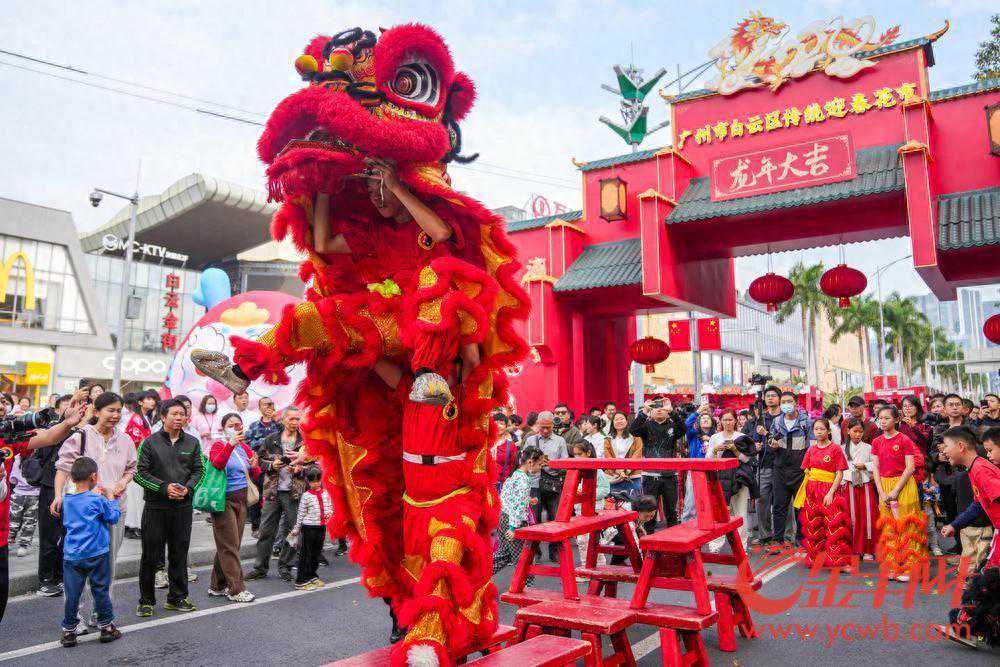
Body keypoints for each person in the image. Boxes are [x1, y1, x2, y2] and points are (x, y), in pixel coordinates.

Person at [53, 392, 136, 630]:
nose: (115, 415)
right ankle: (74, 618)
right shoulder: (80, 437)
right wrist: (59, 495)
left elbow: (131, 468)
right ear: (96, 411)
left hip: (113, 509)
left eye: (119, 410)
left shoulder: (126, 440)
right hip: (83, 514)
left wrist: (121, 484)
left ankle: (102, 614)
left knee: (108, 565)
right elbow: (63, 468)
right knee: (77, 568)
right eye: (110, 410)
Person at [0, 392, 86, 624]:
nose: (1, 406)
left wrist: (68, 422)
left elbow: (47, 437)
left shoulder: (6, 437)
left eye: (2, 402)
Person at [134, 399, 204, 617]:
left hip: (182, 507)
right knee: (150, 556)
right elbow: (139, 473)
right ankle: (146, 600)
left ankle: (177, 597)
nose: (179, 418)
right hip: (156, 507)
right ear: (163, 417)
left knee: (179, 554)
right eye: (174, 414)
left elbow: (200, 470)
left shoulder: (192, 443)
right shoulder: (149, 443)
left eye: (182, 414)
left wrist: (188, 488)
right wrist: (164, 488)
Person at [938, 426, 1000, 649]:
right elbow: (979, 504)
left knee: (984, 582)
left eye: (946, 446)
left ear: (961, 446)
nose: (943, 452)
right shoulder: (977, 469)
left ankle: (965, 629)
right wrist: (955, 524)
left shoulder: (981, 469)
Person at [58, 456, 122, 648]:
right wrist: (110, 497)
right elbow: (113, 518)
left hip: (72, 555)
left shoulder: (67, 500)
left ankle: (69, 631)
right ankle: (106, 627)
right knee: (100, 590)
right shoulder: (98, 500)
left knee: (73, 594)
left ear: (72, 477)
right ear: (94, 476)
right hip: (96, 553)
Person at [246, 406, 308, 581]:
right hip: (273, 492)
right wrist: (271, 466)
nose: (295, 422)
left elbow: (314, 466)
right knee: (266, 531)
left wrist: (300, 469)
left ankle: (286, 566)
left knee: (293, 531)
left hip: (294, 493)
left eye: (298, 419)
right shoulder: (271, 439)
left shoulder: (305, 442)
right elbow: (259, 461)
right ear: (283, 419)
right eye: (292, 419)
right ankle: (260, 568)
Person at [207, 413, 260, 602]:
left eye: (238, 425)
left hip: (242, 498)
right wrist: (230, 444)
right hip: (223, 499)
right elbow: (218, 464)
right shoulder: (218, 445)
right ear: (223, 428)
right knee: (229, 544)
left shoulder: (245, 446)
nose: (236, 428)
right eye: (231, 425)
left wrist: (254, 465)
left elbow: (255, 473)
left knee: (230, 543)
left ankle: (216, 585)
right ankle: (236, 589)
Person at [871, 405, 927, 582]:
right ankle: (894, 566)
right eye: (880, 418)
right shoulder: (876, 441)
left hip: (903, 485)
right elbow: (875, 468)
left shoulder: (904, 439)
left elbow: (910, 468)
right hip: (884, 486)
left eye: (887, 418)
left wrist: (895, 491)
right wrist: (881, 491)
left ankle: (911, 568)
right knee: (889, 527)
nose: (883, 421)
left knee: (908, 526)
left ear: (896, 420)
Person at [30, 394, 75, 596]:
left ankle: (61, 576)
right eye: (69, 405)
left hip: (74, 490)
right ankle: (46, 580)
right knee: (50, 536)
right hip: (50, 486)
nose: (73, 409)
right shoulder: (50, 432)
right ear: (58, 410)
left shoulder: (83, 433)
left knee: (67, 536)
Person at [793, 418, 851, 568]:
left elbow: (839, 474)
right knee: (813, 526)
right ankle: (816, 558)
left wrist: (831, 493)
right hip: (812, 491)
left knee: (834, 525)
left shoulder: (835, 449)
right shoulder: (811, 449)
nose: (818, 432)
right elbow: (807, 471)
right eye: (816, 429)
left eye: (822, 429)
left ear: (829, 431)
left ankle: (838, 560)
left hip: (829, 490)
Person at [706, 409, 757, 550]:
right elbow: (708, 460)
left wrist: (735, 449)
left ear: (735, 420)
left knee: (741, 513)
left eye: (730, 419)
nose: (727, 422)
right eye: (725, 419)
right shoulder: (715, 437)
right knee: (720, 513)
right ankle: (715, 545)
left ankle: (742, 546)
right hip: (720, 479)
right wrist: (716, 449)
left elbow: (746, 459)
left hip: (740, 478)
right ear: (720, 421)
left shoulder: (742, 436)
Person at [630, 398, 684, 528]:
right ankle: (648, 545)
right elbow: (633, 429)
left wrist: (672, 412)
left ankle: (675, 544)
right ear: (651, 411)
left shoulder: (673, 425)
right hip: (649, 475)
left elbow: (683, 429)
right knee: (648, 512)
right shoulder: (646, 425)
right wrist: (644, 411)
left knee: (671, 512)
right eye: (655, 407)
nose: (659, 409)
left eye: (662, 407)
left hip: (670, 475)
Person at [521, 411, 568, 561]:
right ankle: (535, 551)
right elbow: (523, 461)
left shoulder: (560, 441)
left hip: (553, 483)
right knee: (534, 520)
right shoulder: (530, 440)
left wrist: (552, 464)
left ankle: (554, 552)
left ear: (553, 425)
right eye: (542, 428)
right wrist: (535, 463)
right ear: (537, 426)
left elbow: (566, 464)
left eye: (548, 427)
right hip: (534, 483)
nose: (546, 431)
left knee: (555, 519)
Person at [768, 391, 812, 551]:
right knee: (779, 506)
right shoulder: (776, 421)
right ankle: (777, 540)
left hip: (800, 470)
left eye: (789, 401)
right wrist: (772, 445)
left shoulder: (806, 422)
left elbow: (810, 448)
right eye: (784, 401)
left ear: (796, 403)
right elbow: (771, 440)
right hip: (779, 469)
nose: (786, 404)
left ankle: (801, 539)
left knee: (800, 507)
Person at [493, 447, 543, 575]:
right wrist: (513, 527)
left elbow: (509, 498)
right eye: (540, 464)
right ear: (530, 462)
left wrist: (528, 500)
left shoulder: (515, 474)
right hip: (514, 522)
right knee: (523, 559)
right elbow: (518, 505)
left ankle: (481, 575)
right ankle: (526, 587)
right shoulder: (524, 480)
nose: (540, 467)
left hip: (503, 516)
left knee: (502, 554)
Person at [289, 467, 333, 590]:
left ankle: (312, 575)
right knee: (306, 554)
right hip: (309, 527)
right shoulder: (306, 496)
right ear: (308, 482)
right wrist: (297, 528)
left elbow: (329, 506)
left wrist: (329, 513)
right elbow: (301, 513)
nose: (316, 483)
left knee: (316, 553)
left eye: (318, 480)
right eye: (313, 481)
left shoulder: (325, 493)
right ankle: (301, 580)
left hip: (321, 526)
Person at [841, 418, 879, 559]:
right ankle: (853, 548)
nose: (858, 434)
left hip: (865, 485)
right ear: (848, 431)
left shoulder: (868, 447)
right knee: (851, 517)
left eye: (860, 431)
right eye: (855, 431)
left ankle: (868, 549)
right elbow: (840, 469)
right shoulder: (842, 448)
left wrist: (865, 466)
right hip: (849, 486)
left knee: (867, 517)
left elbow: (876, 465)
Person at [570, 440, 610, 571]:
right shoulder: (577, 470)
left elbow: (605, 489)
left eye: (579, 454)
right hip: (580, 510)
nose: (576, 457)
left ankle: (590, 568)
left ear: (588, 453)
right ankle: (594, 568)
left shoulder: (597, 470)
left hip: (594, 510)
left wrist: (587, 494)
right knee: (585, 542)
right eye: (574, 454)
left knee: (589, 541)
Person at [122, 391, 157, 540]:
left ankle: (136, 525)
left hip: (142, 461)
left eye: (153, 399)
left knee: (137, 496)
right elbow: (136, 442)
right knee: (134, 496)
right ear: (140, 402)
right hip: (136, 462)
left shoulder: (144, 418)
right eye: (149, 399)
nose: (152, 402)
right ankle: (132, 526)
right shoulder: (136, 419)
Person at [244, 397, 281, 535]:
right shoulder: (254, 426)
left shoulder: (279, 424)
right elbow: (248, 444)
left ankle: (273, 528)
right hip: (259, 466)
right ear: (259, 407)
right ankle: (256, 526)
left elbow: (283, 441)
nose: (269, 407)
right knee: (256, 496)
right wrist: (265, 441)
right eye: (265, 404)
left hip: (276, 467)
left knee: (273, 498)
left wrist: (261, 442)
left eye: (271, 404)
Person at [751, 387, 783, 546]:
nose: (770, 398)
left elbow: (781, 439)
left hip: (782, 465)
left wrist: (766, 434)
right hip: (763, 464)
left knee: (783, 503)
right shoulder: (761, 418)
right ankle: (765, 535)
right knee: (761, 501)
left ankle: (784, 536)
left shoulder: (785, 417)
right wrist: (755, 445)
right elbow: (755, 438)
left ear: (779, 399)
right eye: (767, 396)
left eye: (773, 396)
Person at [932, 394, 968, 534]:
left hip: (966, 475)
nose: (954, 407)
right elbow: (932, 452)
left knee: (966, 510)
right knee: (950, 510)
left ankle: (967, 546)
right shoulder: (939, 429)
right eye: (950, 405)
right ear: (945, 409)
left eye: (957, 404)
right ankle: (958, 544)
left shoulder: (970, 427)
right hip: (946, 476)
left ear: (963, 408)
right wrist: (938, 457)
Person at [604, 411, 643, 496]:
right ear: (612, 423)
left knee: (634, 504)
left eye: (622, 419)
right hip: (614, 476)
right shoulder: (608, 439)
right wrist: (619, 471)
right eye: (616, 419)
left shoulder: (636, 437)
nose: (619, 421)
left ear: (626, 421)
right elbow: (608, 457)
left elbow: (637, 454)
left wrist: (626, 471)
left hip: (632, 476)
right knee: (614, 505)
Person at [8, 455, 39, 557]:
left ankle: (8, 541)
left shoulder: (18, 457)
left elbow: (13, 479)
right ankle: (23, 546)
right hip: (34, 495)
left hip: (18, 494)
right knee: (30, 521)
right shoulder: (39, 457)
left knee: (13, 520)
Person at [492, 413, 519, 491]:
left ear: (506, 427)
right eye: (495, 423)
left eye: (501, 423)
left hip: (502, 485)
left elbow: (513, 466)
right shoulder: (485, 443)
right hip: (486, 483)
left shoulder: (511, 446)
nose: (498, 426)